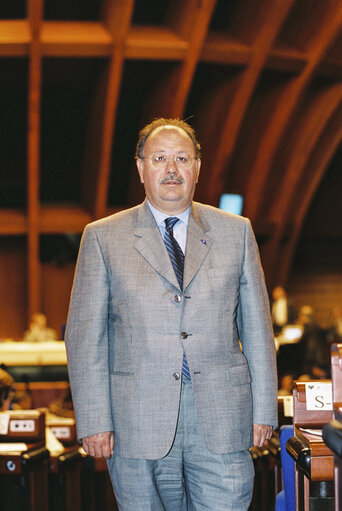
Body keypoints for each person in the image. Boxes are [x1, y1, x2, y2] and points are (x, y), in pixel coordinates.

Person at [65, 118, 278, 510]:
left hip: (224, 419)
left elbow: (259, 330)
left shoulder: (237, 232)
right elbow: (84, 336)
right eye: (159, 157)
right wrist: (94, 420)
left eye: (182, 158)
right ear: (141, 167)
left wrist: (264, 409)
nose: (171, 168)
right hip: (136, 422)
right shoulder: (102, 236)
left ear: (198, 168)